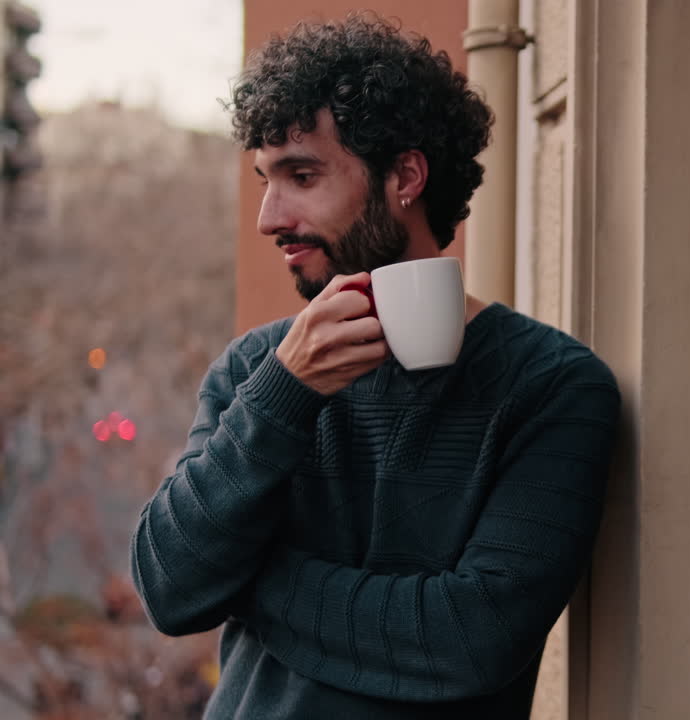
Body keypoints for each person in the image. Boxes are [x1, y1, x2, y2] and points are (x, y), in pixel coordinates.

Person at [129, 13, 620, 719]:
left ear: (406, 177)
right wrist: (282, 396)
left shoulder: (552, 387)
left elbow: (468, 640)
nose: (270, 215)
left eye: (302, 175)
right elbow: (170, 590)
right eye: (266, 179)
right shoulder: (256, 371)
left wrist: (249, 578)